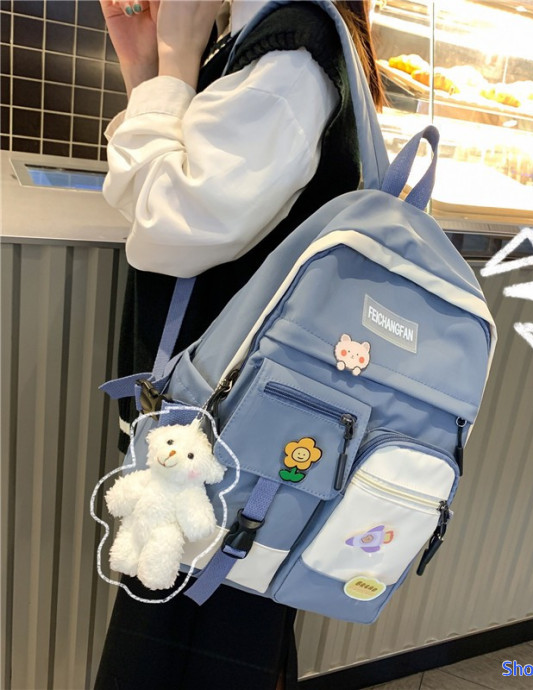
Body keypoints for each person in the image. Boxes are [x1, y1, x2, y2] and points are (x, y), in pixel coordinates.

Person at [94, 1, 384, 689]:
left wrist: (174, 65)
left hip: (223, 437)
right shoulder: (269, 41)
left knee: (185, 640)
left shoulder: (291, 54)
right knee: (205, 627)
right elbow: (161, 201)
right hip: (235, 426)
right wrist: (149, 69)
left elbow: (168, 227)